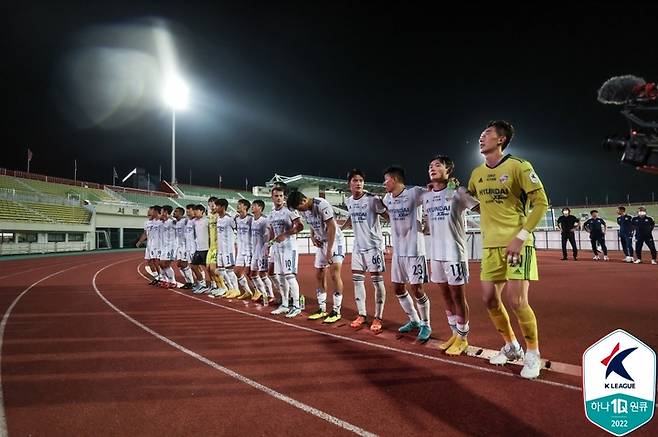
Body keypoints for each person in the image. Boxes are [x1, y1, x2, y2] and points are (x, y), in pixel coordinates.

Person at [467, 120, 548, 379]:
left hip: (517, 244)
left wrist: (521, 236)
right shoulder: (476, 173)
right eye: (481, 134)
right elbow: (471, 200)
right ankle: (512, 346)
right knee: (489, 299)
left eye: (487, 134)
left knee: (517, 301)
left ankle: (533, 353)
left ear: (500, 140)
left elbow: (541, 203)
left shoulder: (519, 166)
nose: (481, 138)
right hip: (490, 245)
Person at [424, 155, 479, 356]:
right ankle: (454, 334)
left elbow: (479, 207)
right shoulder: (427, 196)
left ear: (448, 171)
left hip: (455, 252)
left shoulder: (458, 192)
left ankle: (463, 337)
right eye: (430, 165)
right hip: (436, 253)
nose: (432, 168)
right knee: (445, 295)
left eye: (437, 165)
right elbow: (429, 222)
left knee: (457, 295)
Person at [382, 166, 432, 343]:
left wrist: (426, 221)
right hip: (398, 251)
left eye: (386, 179)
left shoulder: (414, 193)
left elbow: (434, 196)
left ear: (394, 179)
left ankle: (426, 324)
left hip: (415, 250)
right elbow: (388, 214)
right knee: (397, 287)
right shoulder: (387, 198)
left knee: (417, 289)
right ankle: (414, 320)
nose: (384, 183)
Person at [287, 190, 345, 324]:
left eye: (299, 208)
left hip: (334, 241)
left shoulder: (321, 204)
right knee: (319, 273)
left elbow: (331, 227)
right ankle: (322, 308)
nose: (299, 211)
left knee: (334, 274)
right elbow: (312, 225)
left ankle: (336, 310)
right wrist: (313, 237)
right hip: (321, 241)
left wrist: (330, 249)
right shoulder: (304, 209)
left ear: (303, 201)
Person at [342, 169, 388, 333]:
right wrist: (341, 228)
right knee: (357, 281)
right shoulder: (349, 201)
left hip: (373, 247)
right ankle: (361, 314)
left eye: (361, 180)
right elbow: (351, 216)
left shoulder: (372, 199)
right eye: (355, 180)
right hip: (358, 247)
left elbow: (387, 215)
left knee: (377, 281)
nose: (359, 183)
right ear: (349, 184)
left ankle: (378, 316)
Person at [268, 186, 304, 317]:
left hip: (289, 247)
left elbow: (300, 226)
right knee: (281, 277)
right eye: (276, 196)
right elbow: (272, 230)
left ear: (284, 197)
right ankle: (284, 304)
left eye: (281, 196)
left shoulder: (289, 210)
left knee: (290, 276)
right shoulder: (272, 213)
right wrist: (269, 244)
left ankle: (296, 306)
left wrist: (286, 234)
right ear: (272, 197)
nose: (278, 198)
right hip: (278, 248)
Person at [249, 199, 273, 304]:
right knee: (253, 274)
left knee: (263, 273)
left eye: (254, 205)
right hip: (254, 251)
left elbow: (271, 233)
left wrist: (267, 247)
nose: (252, 207)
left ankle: (270, 295)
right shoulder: (252, 220)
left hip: (262, 251)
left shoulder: (265, 220)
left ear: (260, 207)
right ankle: (263, 294)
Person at [234, 199, 257, 300]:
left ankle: (258, 291)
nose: (237, 206)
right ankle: (247, 291)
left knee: (250, 272)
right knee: (237, 271)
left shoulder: (251, 219)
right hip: (240, 249)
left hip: (250, 249)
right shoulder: (236, 219)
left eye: (240, 205)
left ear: (245, 207)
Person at [174, 206, 196, 289]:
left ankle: (192, 282)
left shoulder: (185, 221)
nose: (174, 213)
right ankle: (189, 281)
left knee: (187, 264)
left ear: (180, 213)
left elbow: (192, 219)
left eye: (176, 211)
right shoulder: (176, 222)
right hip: (179, 246)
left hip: (186, 245)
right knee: (179, 264)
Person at [191, 205, 210, 292]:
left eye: (196, 210)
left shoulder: (207, 221)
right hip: (198, 248)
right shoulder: (194, 221)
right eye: (194, 210)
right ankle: (202, 284)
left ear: (202, 211)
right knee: (194, 266)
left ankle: (214, 284)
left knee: (209, 269)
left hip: (206, 248)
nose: (194, 212)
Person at [158, 205, 178, 288]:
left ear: (166, 212)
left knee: (165, 264)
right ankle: (166, 280)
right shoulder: (163, 222)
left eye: (162, 212)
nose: (161, 213)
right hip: (164, 246)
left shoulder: (172, 221)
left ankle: (172, 281)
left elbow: (177, 222)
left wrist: (170, 217)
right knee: (161, 264)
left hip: (172, 246)